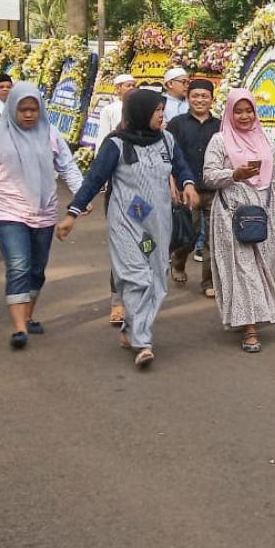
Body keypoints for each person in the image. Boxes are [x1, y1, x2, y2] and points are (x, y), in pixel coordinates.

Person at [58, 89, 199, 368]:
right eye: (157, 110)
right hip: (127, 223)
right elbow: (94, 179)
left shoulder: (167, 141)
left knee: (155, 277)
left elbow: (181, 167)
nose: (162, 115)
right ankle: (142, 340)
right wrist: (72, 213)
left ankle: (131, 329)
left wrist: (189, 185)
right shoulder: (116, 145)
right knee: (137, 276)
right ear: (140, 113)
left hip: (155, 227)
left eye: (162, 110)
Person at [0, 83, 84, 348]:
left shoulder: (51, 134)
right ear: (12, 109)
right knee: (19, 265)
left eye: (33, 109)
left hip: (44, 212)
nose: (29, 115)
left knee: (37, 269)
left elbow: (68, 167)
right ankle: (19, 328)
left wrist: (82, 196)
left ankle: (28, 317)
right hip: (8, 211)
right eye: (23, 110)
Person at [204, 89, 275, 353]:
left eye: (249, 111)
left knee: (263, 264)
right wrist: (234, 173)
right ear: (229, 112)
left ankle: (251, 313)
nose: (244, 116)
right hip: (232, 214)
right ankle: (249, 329)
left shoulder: (265, 140)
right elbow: (209, 176)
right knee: (243, 267)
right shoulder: (220, 141)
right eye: (238, 111)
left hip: (264, 213)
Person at [166, 78, 221, 296]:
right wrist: (173, 184)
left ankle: (209, 282)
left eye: (204, 96)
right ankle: (178, 261)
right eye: (195, 96)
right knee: (189, 236)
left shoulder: (219, 127)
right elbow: (168, 157)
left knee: (212, 239)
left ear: (211, 100)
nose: (200, 100)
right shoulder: (177, 124)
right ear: (188, 98)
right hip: (186, 190)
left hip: (213, 190)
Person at [96, 73, 137, 325]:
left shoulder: (160, 138)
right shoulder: (115, 140)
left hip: (149, 206)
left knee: (147, 248)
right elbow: (99, 166)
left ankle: (141, 299)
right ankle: (118, 301)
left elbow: (174, 167)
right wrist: (77, 207)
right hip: (120, 200)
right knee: (123, 247)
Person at [96, 74, 137, 143]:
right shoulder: (109, 109)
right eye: (128, 86)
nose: (132, 88)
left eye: (133, 86)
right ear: (118, 88)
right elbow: (103, 135)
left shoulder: (139, 106)